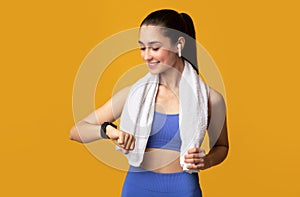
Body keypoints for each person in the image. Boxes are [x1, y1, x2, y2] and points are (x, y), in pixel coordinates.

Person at [70, 9, 229, 197]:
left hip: (183, 189)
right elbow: (76, 131)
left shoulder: (211, 99)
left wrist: (207, 161)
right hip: (138, 188)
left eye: (154, 48)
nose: (146, 56)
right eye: (142, 48)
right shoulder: (132, 95)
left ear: (179, 43)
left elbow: (222, 147)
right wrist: (109, 131)